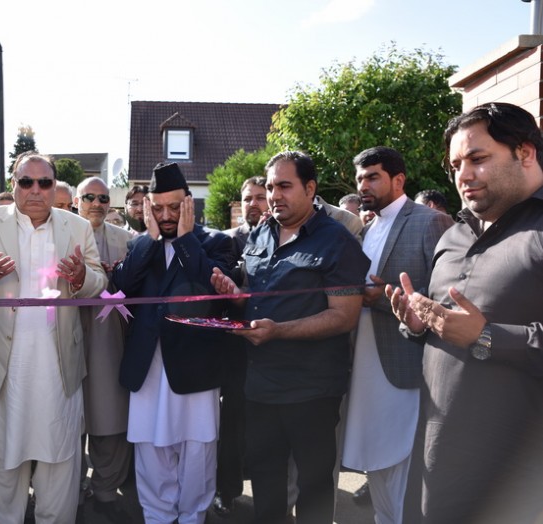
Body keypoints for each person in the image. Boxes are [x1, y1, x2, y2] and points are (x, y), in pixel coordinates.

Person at [385, 102, 543, 523]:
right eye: (456, 164)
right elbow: (451, 328)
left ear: (524, 153)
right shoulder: (452, 235)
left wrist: (487, 336)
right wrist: (419, 325)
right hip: (437, 457)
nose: (463, 176)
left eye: (478, 159)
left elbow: (477, 331)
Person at [0, 151, 107, 523]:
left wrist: (83, 279)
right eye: (26, 182)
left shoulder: (76, 227)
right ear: (14, 184)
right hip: (0, 371)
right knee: (0, 468)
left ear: (53, 187)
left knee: (60, 467)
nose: (35, 190)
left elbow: (100, 281)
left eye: (44, 183)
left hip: (57, 371)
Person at [211, 151, 369, 524]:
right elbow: (257, 292)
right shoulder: (261, 233)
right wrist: (237, 295)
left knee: (314, 485)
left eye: (284, 185)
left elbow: (343, 316)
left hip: (311, 389)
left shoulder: (337, 240)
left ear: (310, 188)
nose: (274, 194)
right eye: (269, 187)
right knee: (266, 478)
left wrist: (279, 331)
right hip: (260, 385)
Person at [112, 162, 233, 524]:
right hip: (147, 366)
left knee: (197, 449)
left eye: (175, 207)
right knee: (150, 448)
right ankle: (158, 518)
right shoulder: (140, 245)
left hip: (195, 367)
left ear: (189, 204)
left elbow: (214, 291)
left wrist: (184, 239)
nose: (166, 216)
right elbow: (120, 286)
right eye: (158, 207)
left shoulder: (216, 242)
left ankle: (193, 517)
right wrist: (150, 240)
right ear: (147, 206)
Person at [341, 146, 453, 524]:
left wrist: (384, 299)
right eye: (360, 179)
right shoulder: (367, 227)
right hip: (364, 361)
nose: (364, 185)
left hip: (406, 362)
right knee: (375, 458)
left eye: (372, 176)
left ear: (398, 179)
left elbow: (443, 296)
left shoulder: (428, 221)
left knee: (404, 460)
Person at [73, 177, 134, 522]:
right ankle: (73, 488)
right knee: (69, 419)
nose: (97, 203)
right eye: (89, 197)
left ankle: (106, 490)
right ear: (77, 202)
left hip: (109, 337)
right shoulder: (62, 234)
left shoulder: (126, 240)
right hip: (66, 333)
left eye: (103, 198)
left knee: (109, 416)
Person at [214, 175, 268, 514]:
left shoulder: (283, 238)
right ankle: (227, 491)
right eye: (247, 198)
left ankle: (268, 497)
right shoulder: (225, 241)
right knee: (231, 426)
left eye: (260, 197)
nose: (253, 204)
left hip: (275, 347)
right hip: (234, 350)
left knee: (267, 429)